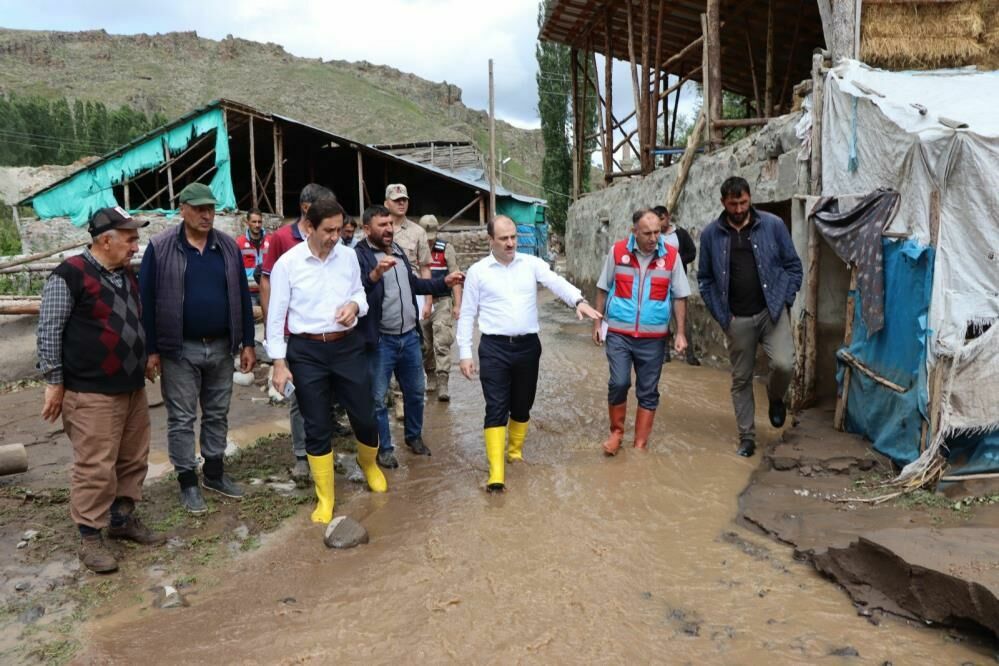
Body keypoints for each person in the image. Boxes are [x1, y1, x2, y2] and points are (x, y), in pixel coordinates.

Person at [38, 207, 165, 573]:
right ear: (105, 240)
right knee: (95, 466)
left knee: (132, 458)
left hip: (130, 387)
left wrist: (142, 356)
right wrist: (54, 382)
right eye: (129, 238)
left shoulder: (125, 274)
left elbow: (131, 321)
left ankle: (122, 520)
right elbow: (48, 331)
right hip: (90, 391)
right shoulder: (69, 276)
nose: (135, 245)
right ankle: (90, 537)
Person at [457, 215, 601, 491]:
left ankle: (514, 451)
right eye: (504, 239)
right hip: (494, 348)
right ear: (491, 241)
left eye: (513, 237)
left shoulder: (531, 264)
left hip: (527, 346)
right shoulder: (478, 271)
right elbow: (466, 314)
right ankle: (496, 473)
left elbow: (556, 282)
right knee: (496, 407)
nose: (511, 243)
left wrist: (578, 301)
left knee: (522, 405)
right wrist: (465, 353)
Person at [266, 197, 387, 524]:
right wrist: (279, 362)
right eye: (328, 230)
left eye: (339, 229)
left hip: (346, 346)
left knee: (364, 414)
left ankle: (370, 464)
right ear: (309, 227)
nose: (336, 236)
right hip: (306, 353)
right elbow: (276, 317)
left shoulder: (347, 257)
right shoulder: (287, 265)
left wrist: (354, 307)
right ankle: (326, 498)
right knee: (316, 424)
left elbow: (360, 294)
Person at [140, 182, 256, 513]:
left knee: (218, 411)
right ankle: (188, 482)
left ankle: (215, 473)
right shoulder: (161, 248)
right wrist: (151, 350)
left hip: (221, 346)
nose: (207, 215)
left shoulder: (227, 248)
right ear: (183, 210)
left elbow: (242, 298)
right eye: (200, 209)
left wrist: (248, 342)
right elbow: (146, 301)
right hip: (179, 348)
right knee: (181, 417)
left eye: (211, 209)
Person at [697, 177, 802, 457]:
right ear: (724, 203)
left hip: (773, 312)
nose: (740, 208)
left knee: (784, 364)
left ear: (750, 198)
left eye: (743, 202)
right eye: (733, 204)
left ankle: (775, 397)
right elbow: (704, 279)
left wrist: (786, 298)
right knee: (741, 379)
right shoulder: (711, 235)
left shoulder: (772, 226)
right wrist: (722, 316)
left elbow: (794, 266)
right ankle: (747, 437)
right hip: (736, 318)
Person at [354, 206, 463, 469]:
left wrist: (442, 283)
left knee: (415, 393)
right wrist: (375, 274)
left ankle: (413, 437)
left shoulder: (399, 251)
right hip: (381, 340)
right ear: (367, 229)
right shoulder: (359, 256)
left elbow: (414, 285)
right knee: (378, 398)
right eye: (382, 225)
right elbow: (356, 290)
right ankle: (385, 449)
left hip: (409, 337)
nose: (389, 229)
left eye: (390, 224)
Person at [259, 184, 343, 484]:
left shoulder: (333, 242)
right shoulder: (283, 237)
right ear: (306, 209)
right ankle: (300, 456)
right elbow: (268, 282)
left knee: (325, 394)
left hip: (327, 334)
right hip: (294, 334)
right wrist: (274, 329)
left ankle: (323, 448)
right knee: (300, 397)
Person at [593, 208, 691, 455]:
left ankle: (640, 444)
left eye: (657, 232)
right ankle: (616, 433)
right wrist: (597, 324)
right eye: (647, 233)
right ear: (634, 231)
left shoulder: (671, 256)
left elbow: (680, 296)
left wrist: (680, 333)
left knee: (648, 390)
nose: (653, 238)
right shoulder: (617, 252)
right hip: (618, 333)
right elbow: (603, 288)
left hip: (654, 338)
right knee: (619, 382)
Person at [417, 214, 463, 402]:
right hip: (420, 302)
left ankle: (443, 382)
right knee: (425, 346)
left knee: (442, 342)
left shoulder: (446, 249)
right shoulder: (414, 249)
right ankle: (431, 377)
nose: (429, 241)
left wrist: (458, 305)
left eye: (432, 237)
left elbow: (456, 277)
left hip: (442, 301)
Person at [653, 205, 700, 366]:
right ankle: (665, 353)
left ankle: (690, 355)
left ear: (667, 217)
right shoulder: (655, 236)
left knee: (682, 319)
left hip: (678, 282)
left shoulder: (680, 233)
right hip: (659, 284)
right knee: (662, 318)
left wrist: (677, 261)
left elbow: (692, 252)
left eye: (661, 219)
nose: (659, 223)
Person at [235, 207, 269, 305]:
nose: (257, 225)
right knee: (252, 319)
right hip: (249, 291)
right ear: (247, 222)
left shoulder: (270, 241)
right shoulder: (239, 243)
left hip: (267, 289)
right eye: (254, 222)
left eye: (259, 222)